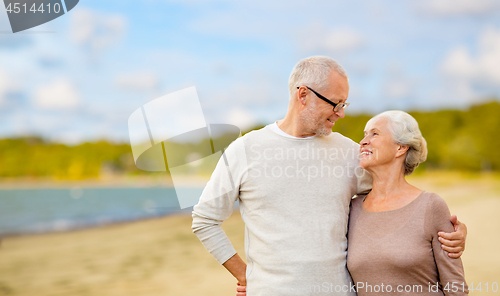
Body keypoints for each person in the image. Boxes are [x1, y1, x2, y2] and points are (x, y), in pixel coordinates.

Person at [191, 56, 466, 296]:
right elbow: (204, 220)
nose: (342, 113)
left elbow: (396, 198)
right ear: (303, 96)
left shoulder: (350, 152)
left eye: (345, 103)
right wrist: (244, 274)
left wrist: (450, 232)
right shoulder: (245, 150)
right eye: (335, 104)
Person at [347, 111, 468, 295]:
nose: (363, 141)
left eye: (375, 133)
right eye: (364, 134)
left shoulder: (431, 206)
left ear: (401, 148)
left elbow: (456, 287)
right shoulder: (352, 209)